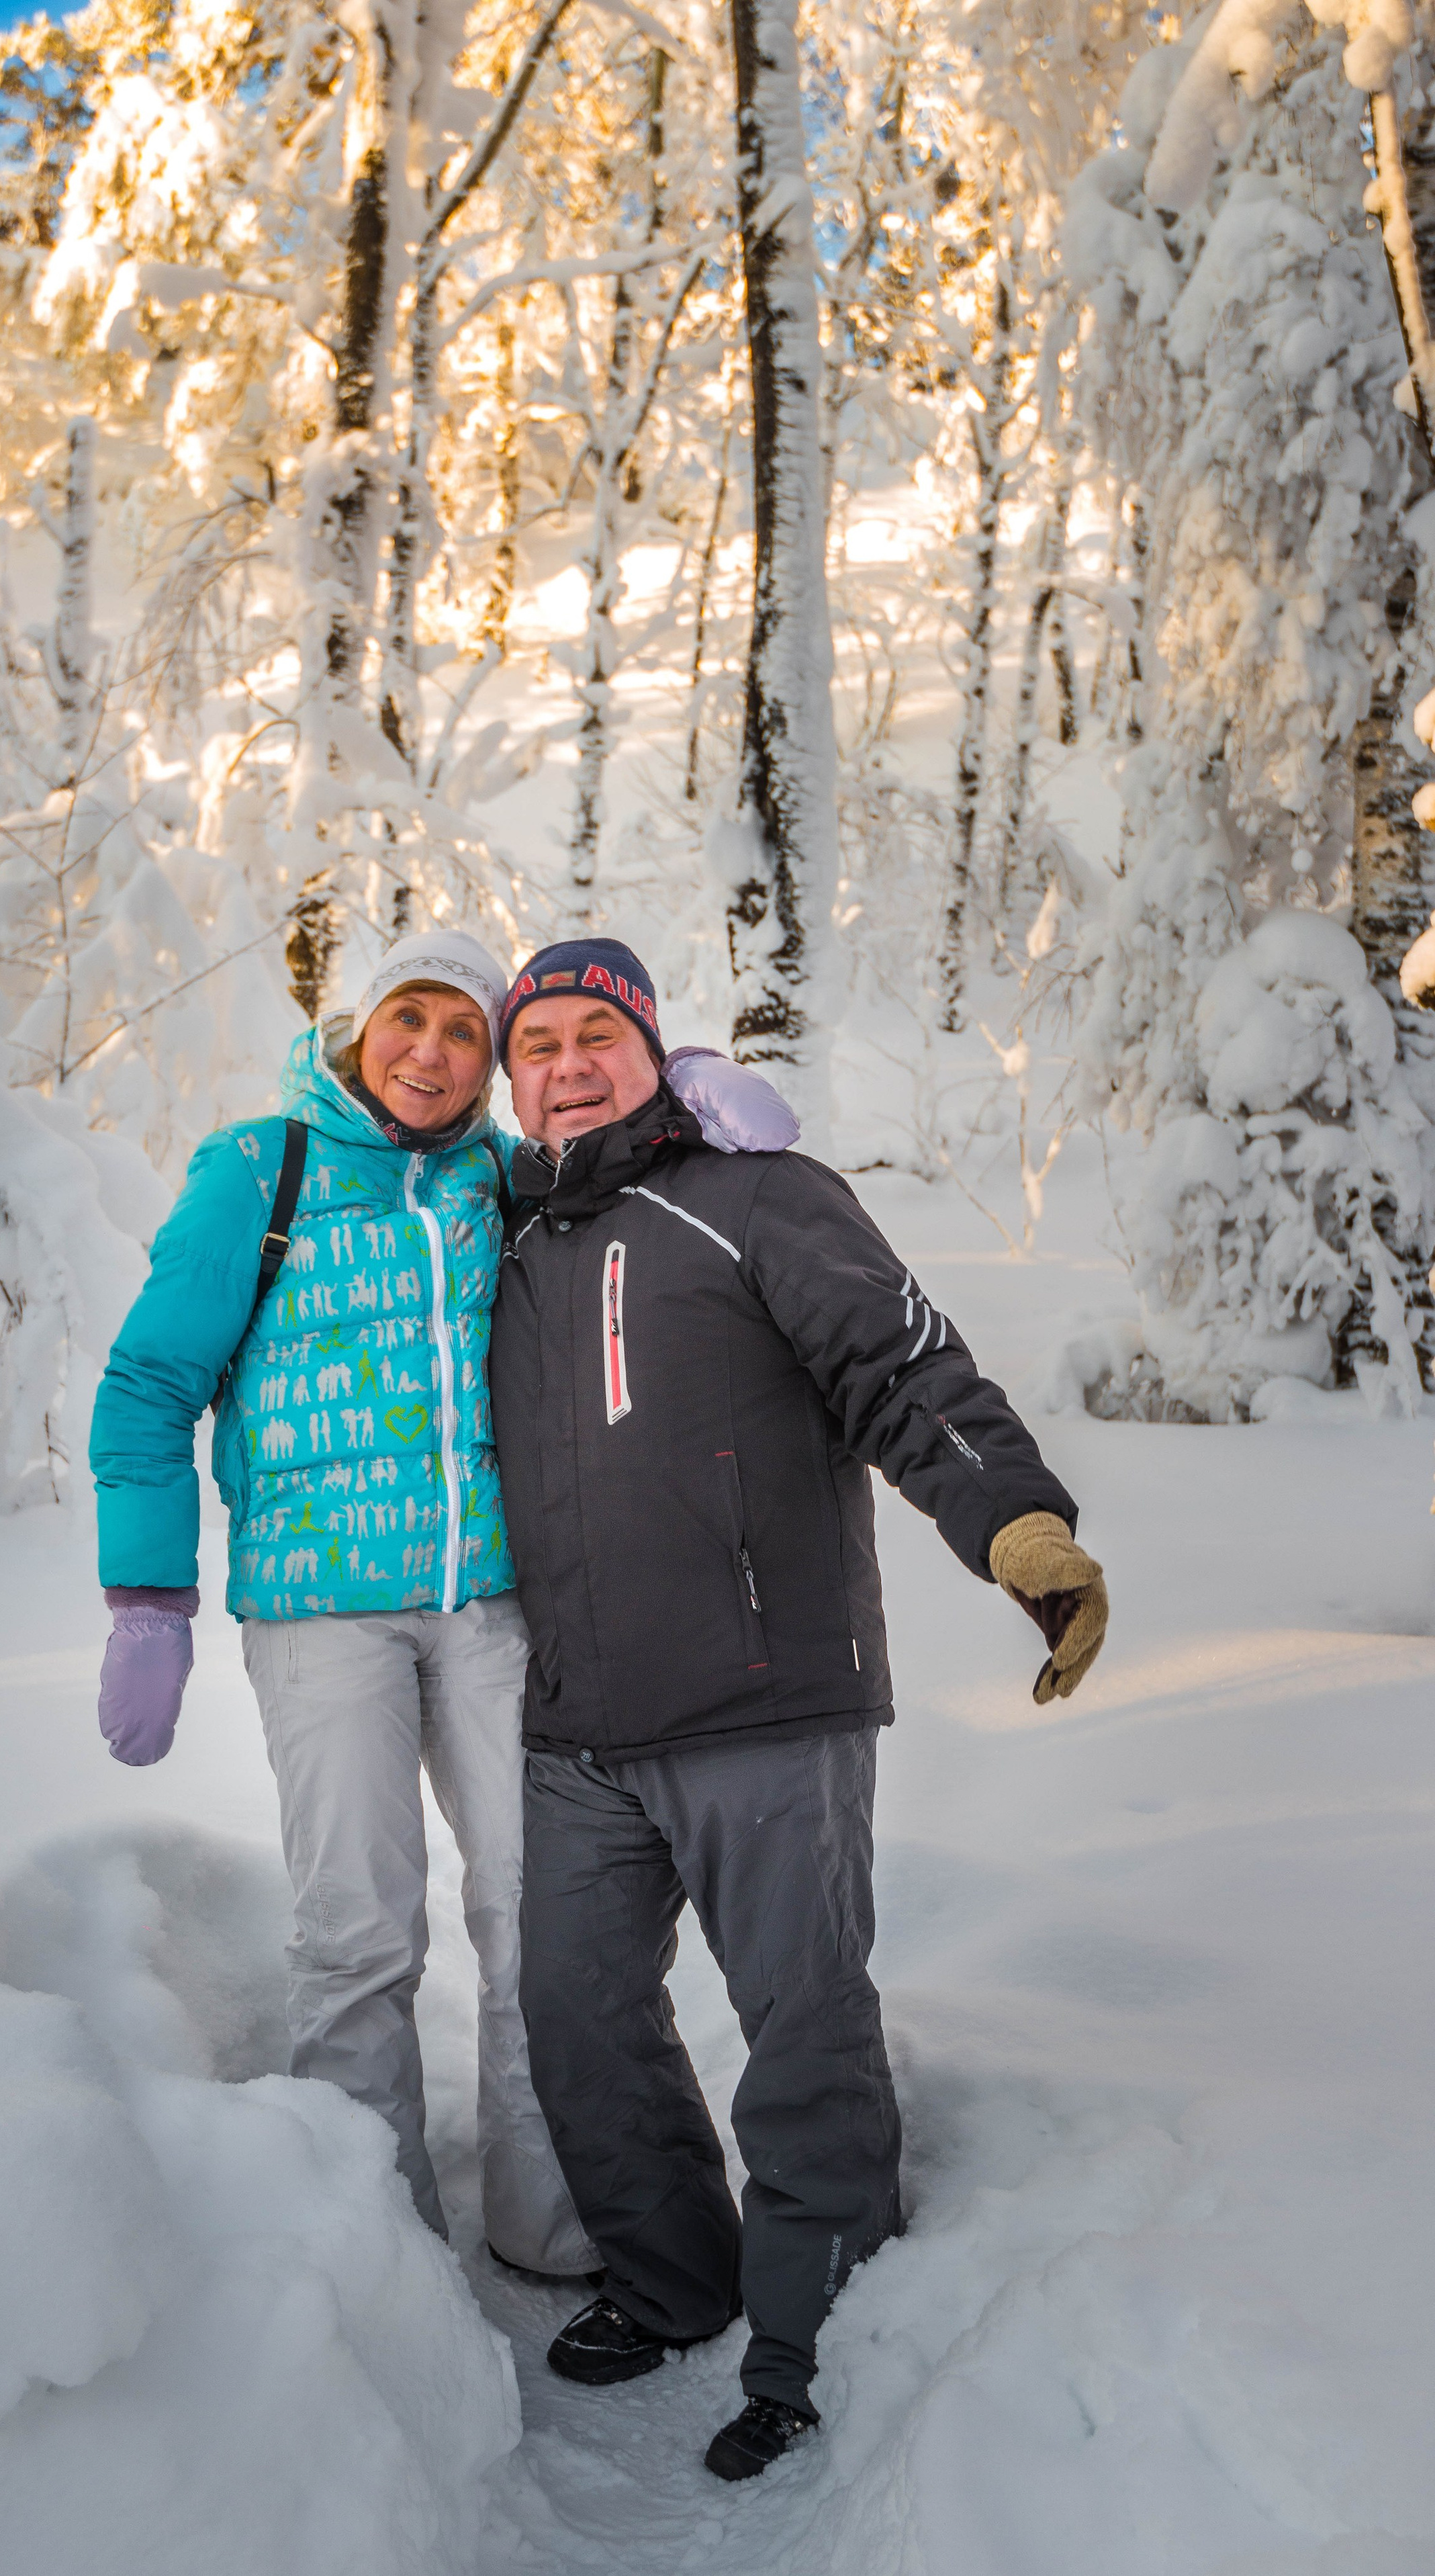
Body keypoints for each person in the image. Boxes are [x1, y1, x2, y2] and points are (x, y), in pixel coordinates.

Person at [487, 936, 1110, 2480]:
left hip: (764, 1698)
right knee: (576, 2023)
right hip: (577, 1727)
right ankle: (673, 2277)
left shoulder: (757, 1195)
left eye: (592, 1037)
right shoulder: (500, 1238)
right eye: (537, 1046)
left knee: (801, 2029)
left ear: (649, 1049)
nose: (565, 1065)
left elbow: (904, 1372)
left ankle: (815, 2334)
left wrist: (1014, 1528)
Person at [85, 929, 794, 2276]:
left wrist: (688, 1079)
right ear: (361, 1025)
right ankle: (367, 2247)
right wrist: (147, 1602)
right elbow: (147, 1386)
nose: (431, 1050)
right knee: (357, 1925)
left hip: (491, 1608)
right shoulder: (260, 1171)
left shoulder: (494, 1175)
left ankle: (555, 2213)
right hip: (321, 1610)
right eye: (408, 1018)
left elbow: (603, 1132)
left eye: (465, 1031)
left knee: (542, 1917)